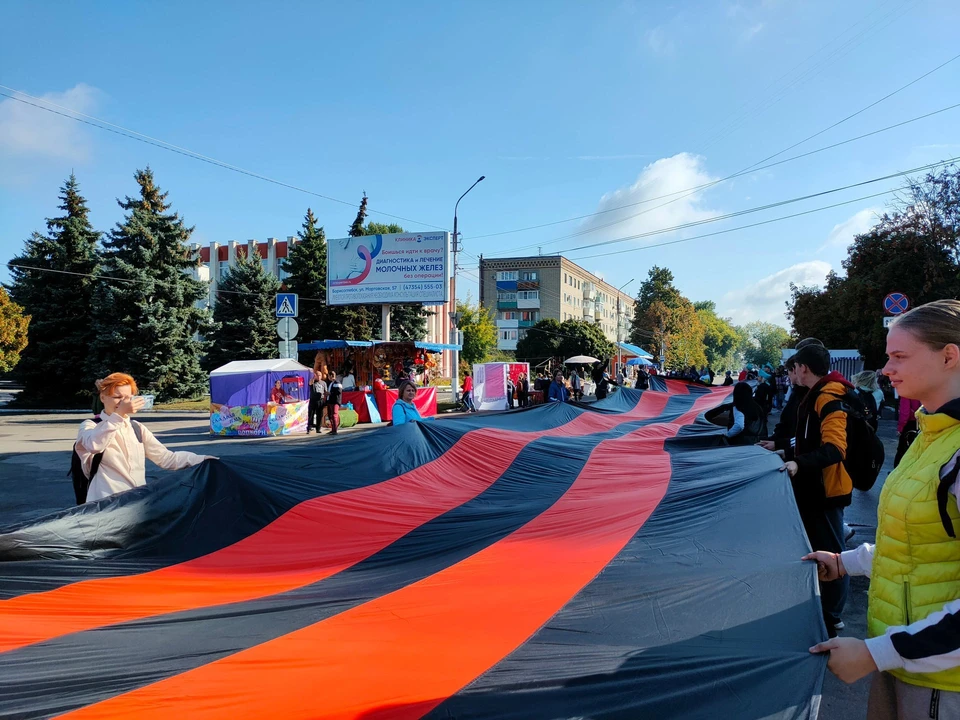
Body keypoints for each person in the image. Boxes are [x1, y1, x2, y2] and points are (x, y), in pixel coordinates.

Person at [803, 300, 960, 717]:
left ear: (949, 355)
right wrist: (846, 561)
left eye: (899, 356)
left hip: (942, 684)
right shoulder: (928, 433)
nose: (886, 368)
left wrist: (878, 653)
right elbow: (914, 543)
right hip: (907, 665)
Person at [779, 343, 854, 636]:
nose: (793, 373)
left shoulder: (829, 395)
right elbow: (808, 439)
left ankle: (832, 616)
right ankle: (820, 609)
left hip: (827, 490)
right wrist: (784, 448)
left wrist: (799, 464)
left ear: (803, 369)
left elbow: (835, 448)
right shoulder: (815, 395)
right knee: (818, 549)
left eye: (794, 368)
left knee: (833, 554)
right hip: (815, 489)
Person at [75, 373, 215, 503]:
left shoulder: (136, 428)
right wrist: (118, 415)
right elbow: (94, 445)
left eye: (128, 397)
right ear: (102, 397)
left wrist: (201, 459)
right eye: (117, 397)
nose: (123, 402)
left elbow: (166, 459)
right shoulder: (90, 426)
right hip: (105, 505)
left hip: (136, 504)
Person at [307, 370, 327, 434]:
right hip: (313, 400)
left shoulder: (323, 383)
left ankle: (318, 428)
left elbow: (325, 392)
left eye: (320, 375)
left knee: (319, 415)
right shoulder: (313, 381)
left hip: (320, 400)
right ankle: (309, 427)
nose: (318, 376)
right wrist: (313, 377)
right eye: (317, 375)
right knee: (311, 415)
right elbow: (310, 383)